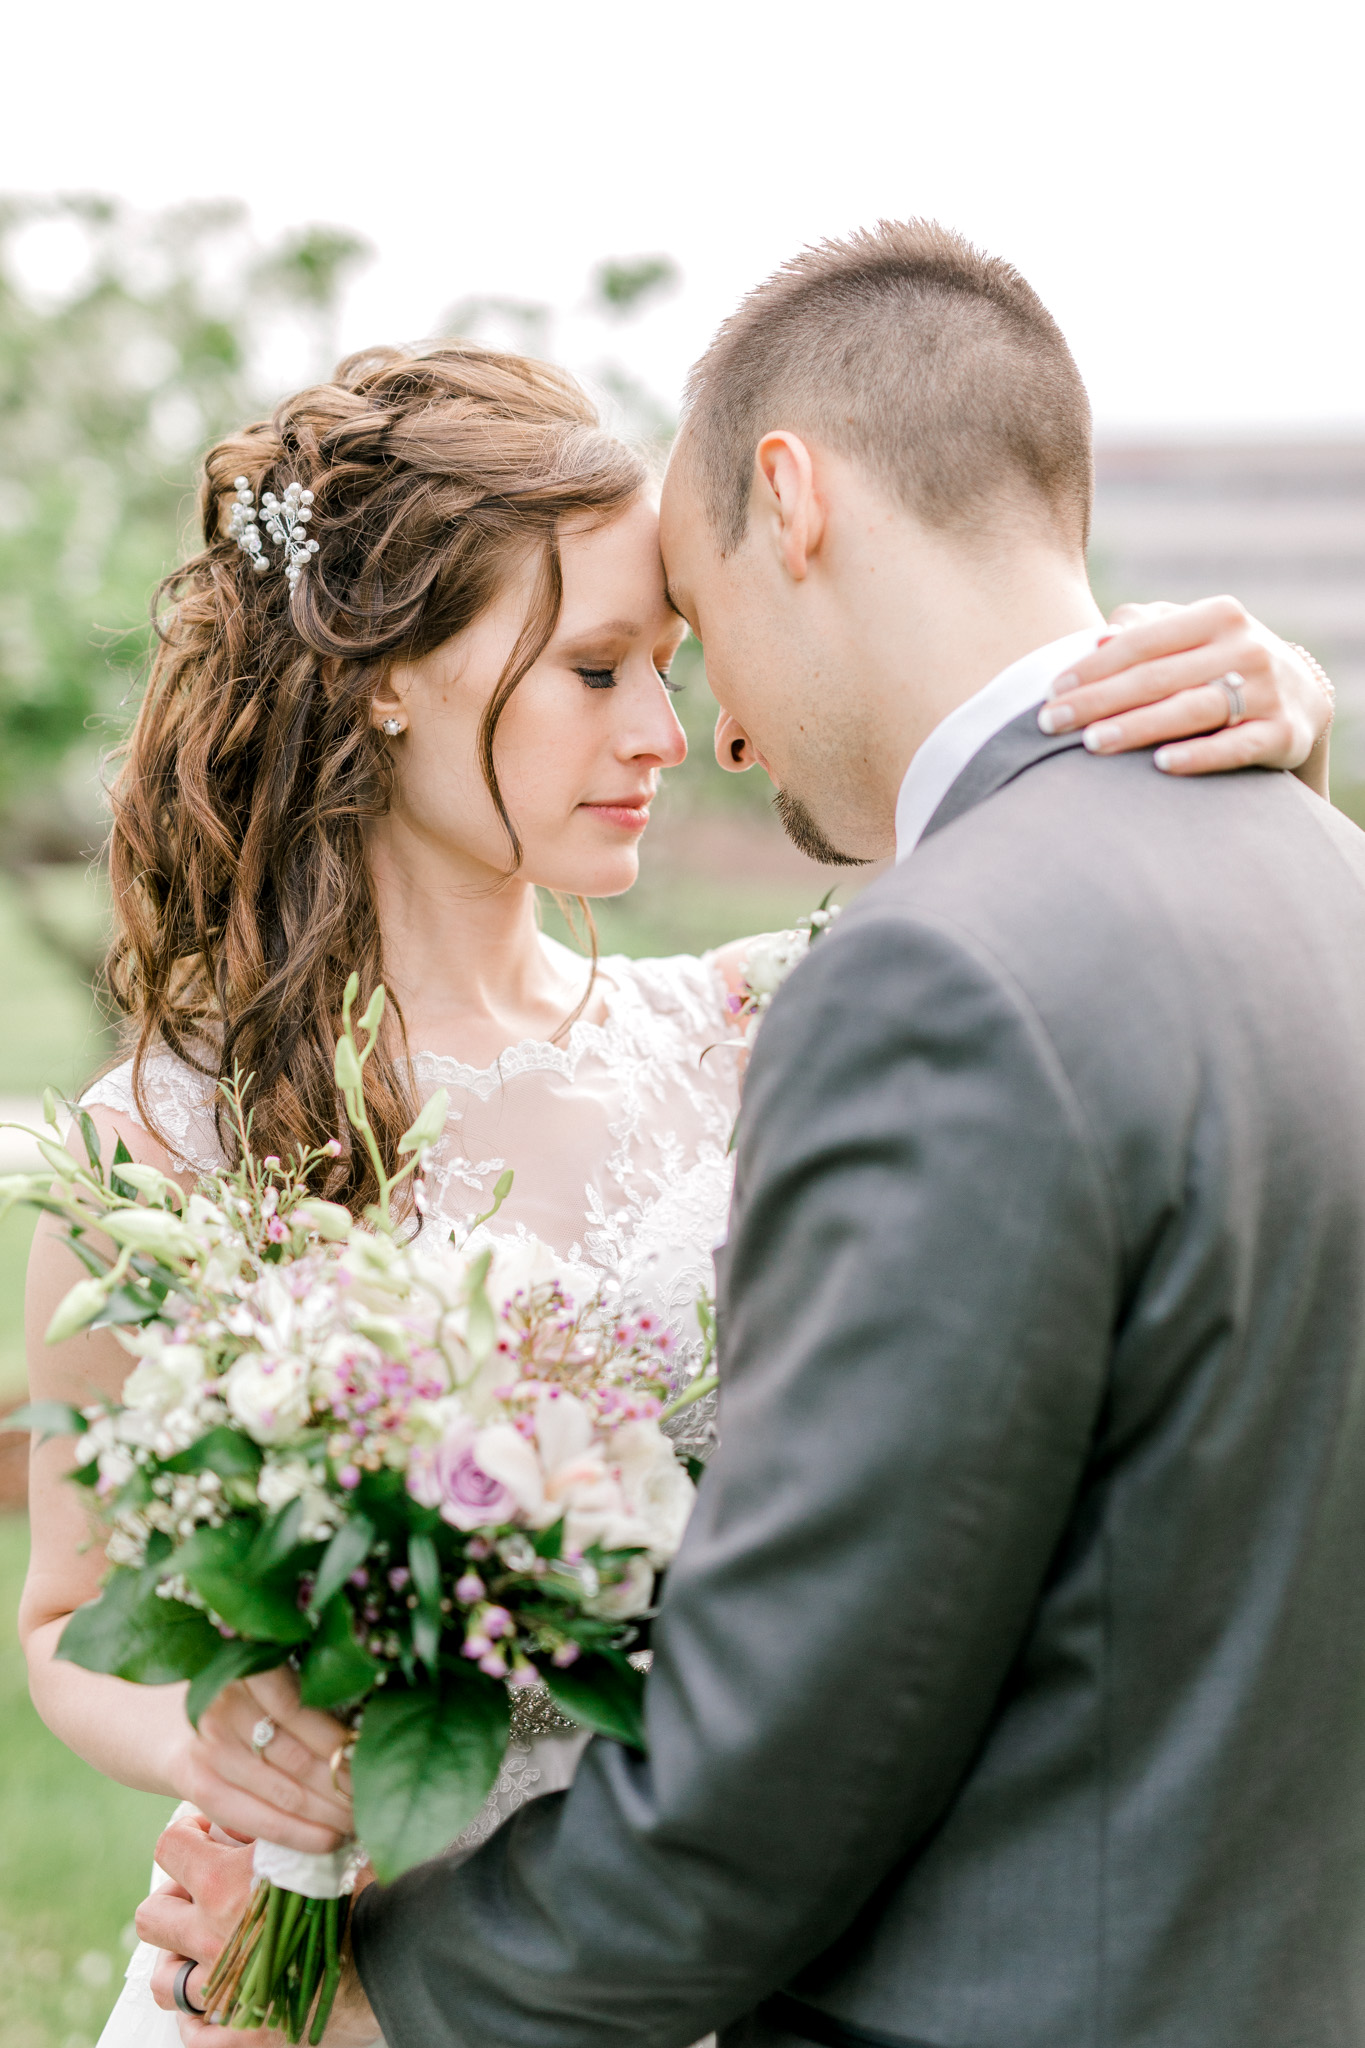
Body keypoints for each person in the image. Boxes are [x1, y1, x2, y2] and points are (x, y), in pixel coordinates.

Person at [19, 309, 1334, 2045]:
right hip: (305, 1957)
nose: (669, 728)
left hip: (649, 1952)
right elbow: (61, 1613)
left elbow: (1104, 990)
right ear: (382, 675)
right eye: (593, 669)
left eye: (673, 659)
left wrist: (1274, 726)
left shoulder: (753, 1026)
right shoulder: (156, 1144)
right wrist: (218, 1738)